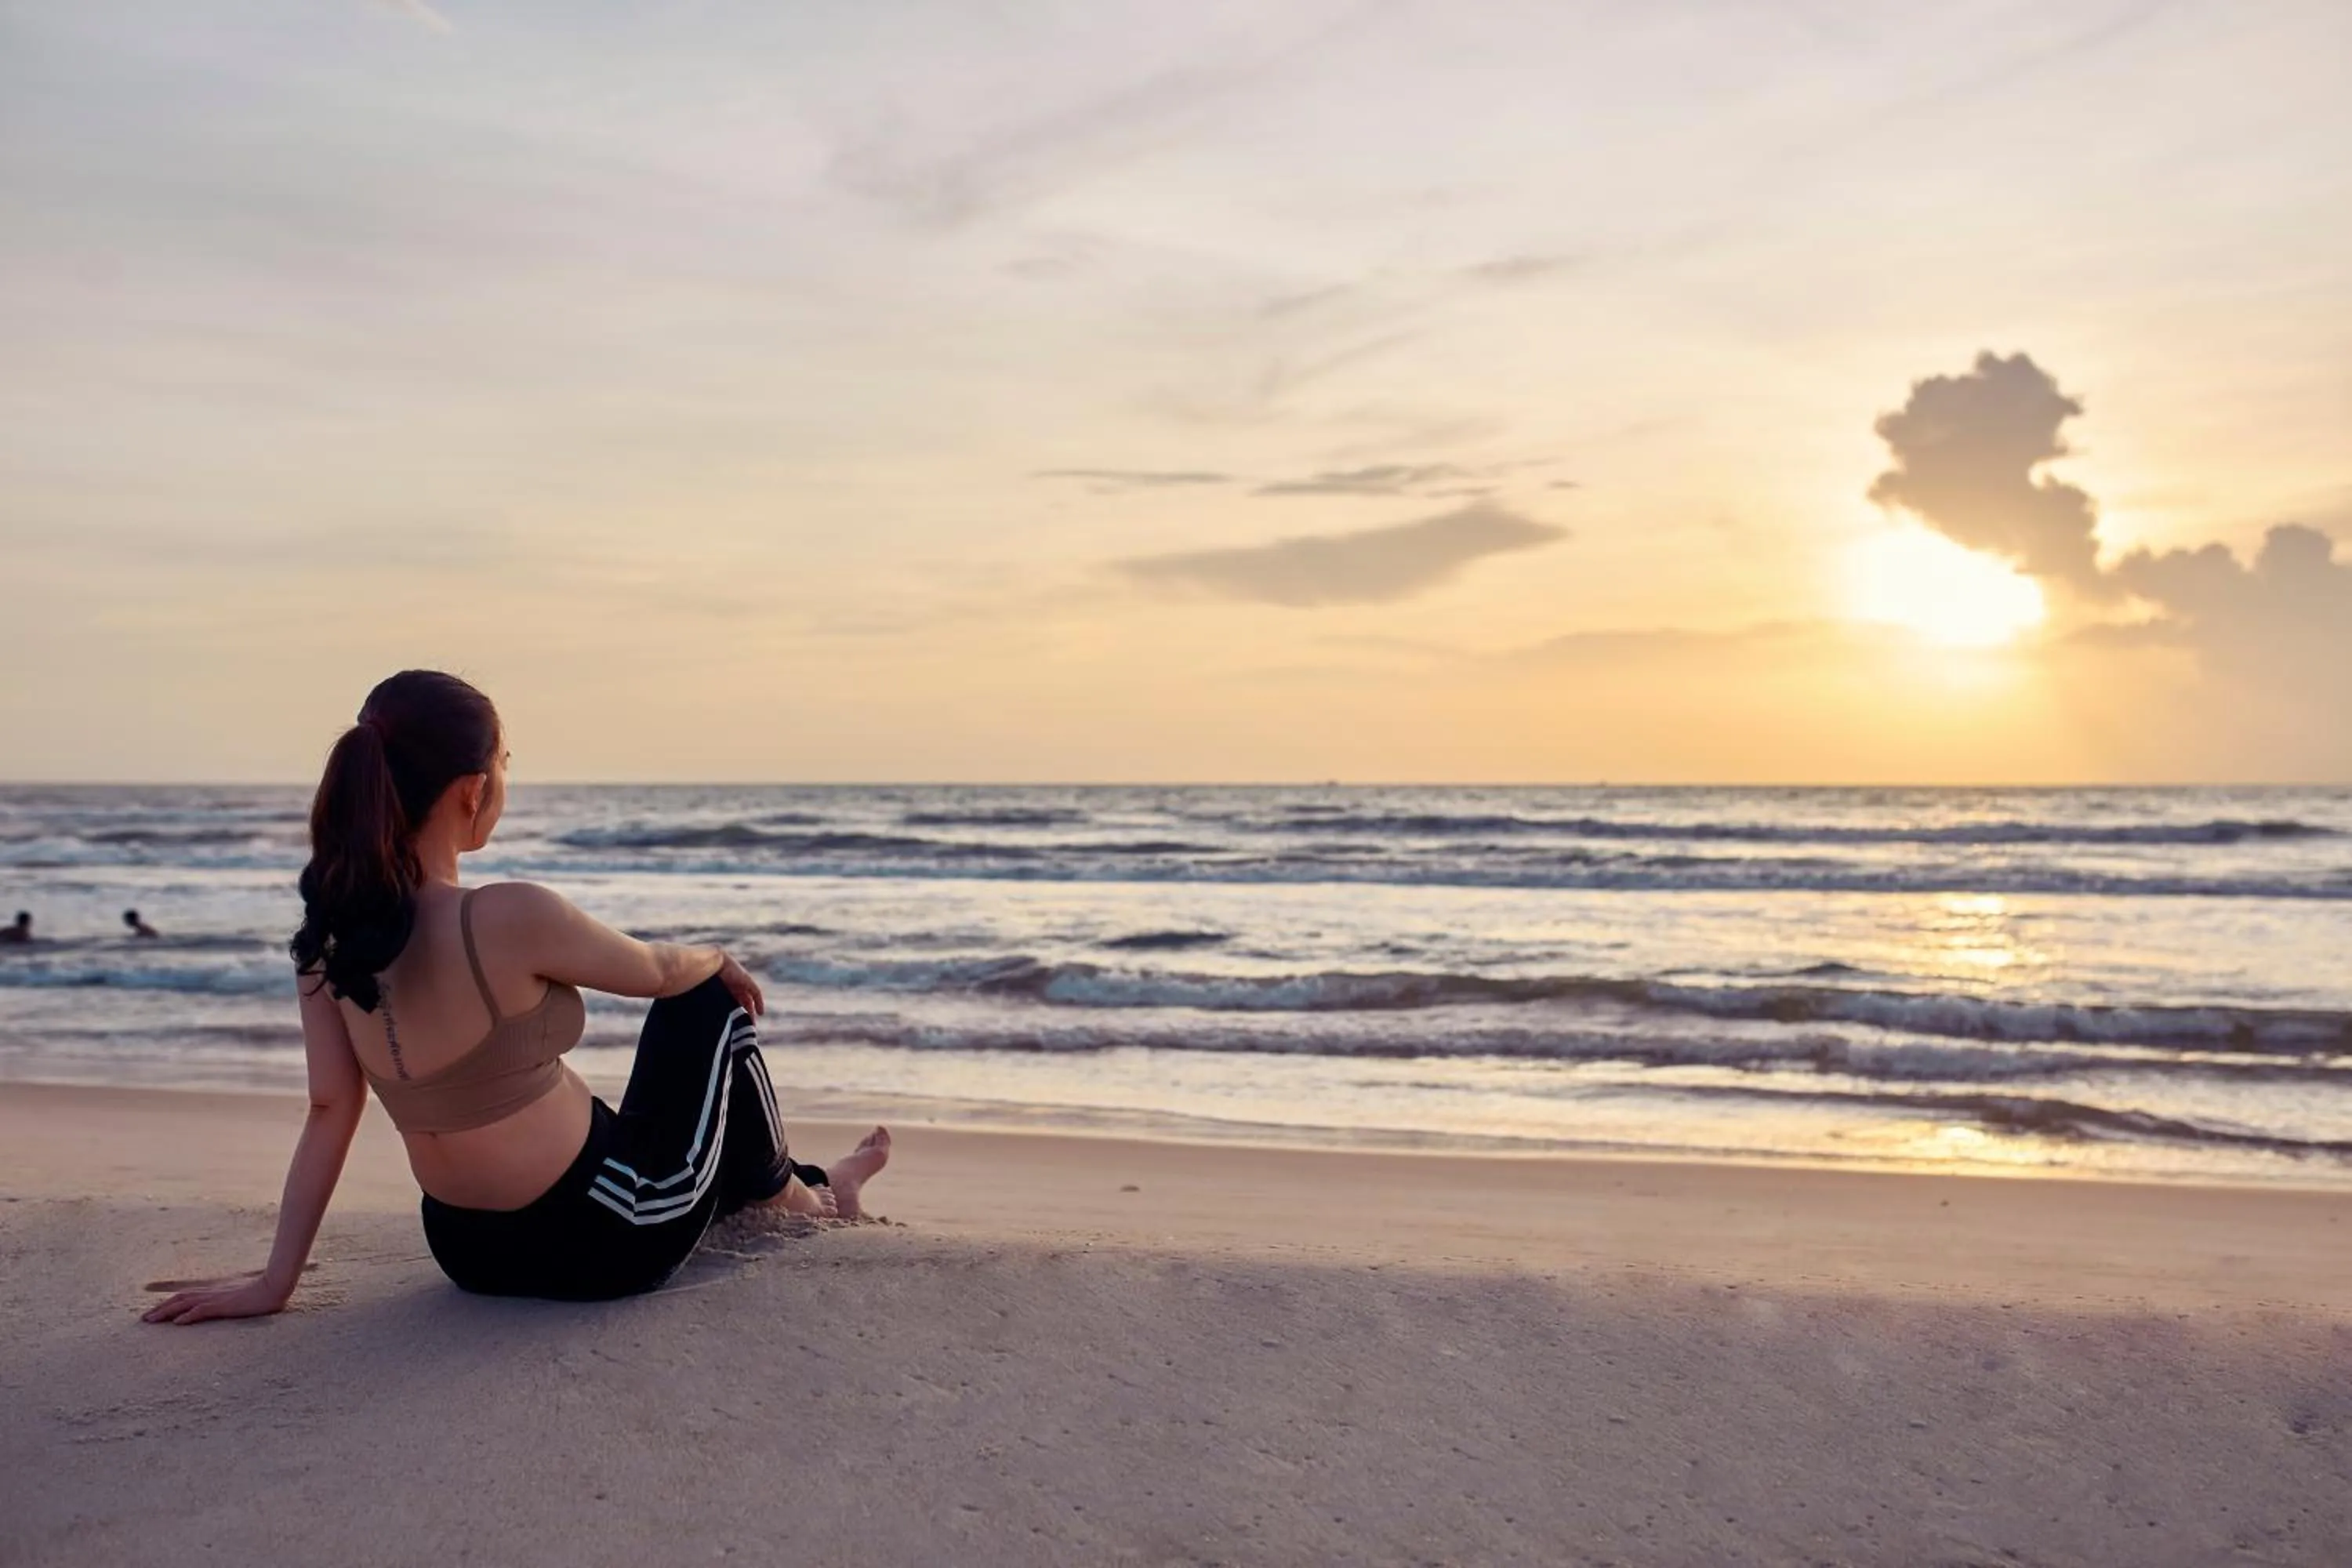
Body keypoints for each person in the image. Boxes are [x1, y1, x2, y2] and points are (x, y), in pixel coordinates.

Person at [144, 670, 889, 1325]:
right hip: (610, 1238)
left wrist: (277, 1282)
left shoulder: (331, 940)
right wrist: (719, 955)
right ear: (473, 790)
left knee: (663, 1127)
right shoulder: (508, 915)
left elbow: (329, 1110)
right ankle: (802, 1198)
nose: (504, 779)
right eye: (504, 763)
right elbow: (662, 972)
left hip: (470, 1254)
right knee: (705, 1004)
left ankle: (813, 1181)